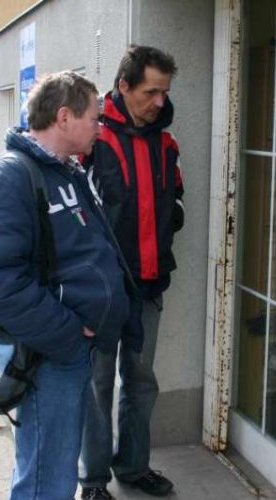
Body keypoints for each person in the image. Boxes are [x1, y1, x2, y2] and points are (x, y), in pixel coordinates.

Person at [0, 71, 132, 500]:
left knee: (55, 467)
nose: (101, 126)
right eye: (95, 117)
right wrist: (67, 333)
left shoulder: (65, 173)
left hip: (70, 350)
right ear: (64, 116)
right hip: (49, 353)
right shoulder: (9, 179)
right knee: (46, 476)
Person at [79, 46, 184, 499]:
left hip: (148, 283)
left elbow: (175, 202)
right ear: (123, 87)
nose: (159, 102)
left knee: (141, 380)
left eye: (164, 92)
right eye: (150, 91)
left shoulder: (166, 143)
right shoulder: (92, 139)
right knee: (98, 384)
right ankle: (95, 480)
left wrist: (167, 229)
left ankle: (134, 466)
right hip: (102, 291)